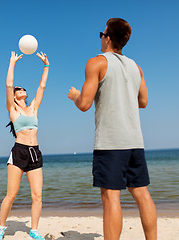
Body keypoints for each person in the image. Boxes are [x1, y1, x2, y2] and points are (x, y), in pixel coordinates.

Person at [68, 18, 157, 240]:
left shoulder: (96, 63)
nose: (100, 37)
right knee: (142, 194)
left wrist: (74, 96)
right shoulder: (136, 67)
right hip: (135, 141)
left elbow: (85, 104)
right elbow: (143, 101)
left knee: (110, 197)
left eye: (102, 33)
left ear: (107, 38)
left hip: (111, 142)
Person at [0, 51, 49, 240]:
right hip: (19, 152)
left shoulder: (33, 107)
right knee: (11, 195)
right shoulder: (13, 109)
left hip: (35, 152)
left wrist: (46, 66)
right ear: (15, 96)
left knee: (37, 196)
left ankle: (33, 230)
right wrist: (12, 63)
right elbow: (9, 84)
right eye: (18, 90)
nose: (20, 89)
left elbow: (42, 86)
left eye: (22, 88)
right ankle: (1, 227)